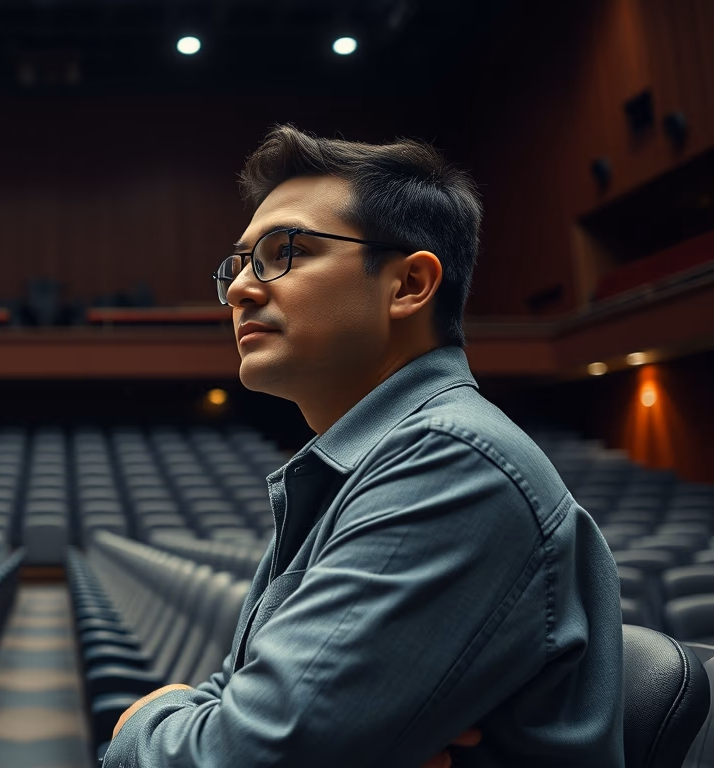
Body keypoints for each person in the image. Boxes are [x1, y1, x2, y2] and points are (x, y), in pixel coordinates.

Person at [102, 125, 623, 767]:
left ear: (408, 285)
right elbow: (243, 695)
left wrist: (142, 718)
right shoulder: (358, 468)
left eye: (283, 250)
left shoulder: (451, 462)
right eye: (237, 265)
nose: (239, 289)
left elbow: (235, 754)